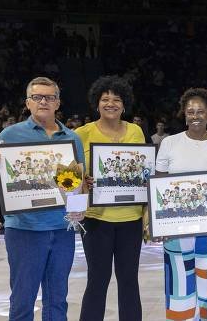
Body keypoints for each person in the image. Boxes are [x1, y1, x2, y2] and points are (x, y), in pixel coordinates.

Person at [0, 76, 86, 321]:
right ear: (28, 103)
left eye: (50, 97)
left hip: (61, 228)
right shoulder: (10, 135)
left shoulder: (71, 138)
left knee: (57, 299)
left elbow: (75, 183)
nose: (44, 101)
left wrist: (79, 210)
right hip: (24, 229)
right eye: (37, 97)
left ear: (58, 103)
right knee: (22, 299)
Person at [156, 88, 207, 321]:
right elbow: (159, 185)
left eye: (201, 111)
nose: (195, 115)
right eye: (190, 111)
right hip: (176, 230)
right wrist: (157, 224)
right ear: (184, 115)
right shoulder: (169, 143)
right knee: (180, 286)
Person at [76, 76, 145, 321]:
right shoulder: (81, 133)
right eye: (105, 99)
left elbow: (142, 169)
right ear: (97, 103)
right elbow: (67, 177)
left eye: (116, 99)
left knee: (129, 280)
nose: (111, 103)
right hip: (96, 220)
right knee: (97, 279)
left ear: (124, 104)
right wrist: (83, 181)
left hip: (131, 218)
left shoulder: (136, 131)